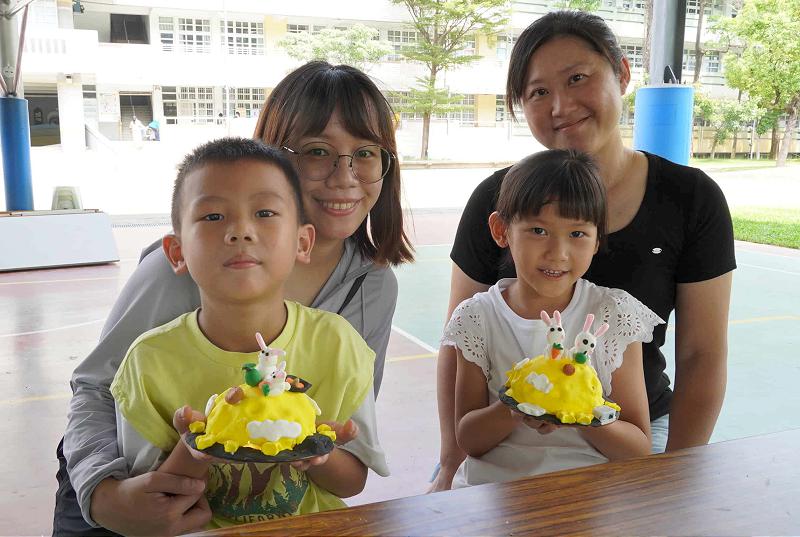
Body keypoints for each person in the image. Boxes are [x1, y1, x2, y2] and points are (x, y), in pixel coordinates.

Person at [56, 61, 413, 537]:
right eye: (317, 151)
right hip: (131, 482)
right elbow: (97, 389)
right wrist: (104, 496)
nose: (344, 175)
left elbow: (343, 436)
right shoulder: (188, 265)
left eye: (365, 152)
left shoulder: (371, 285)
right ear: (275, 156)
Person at [430, 10, 735, 492]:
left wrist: (676, 473)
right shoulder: (498, 197)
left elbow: (702, 354)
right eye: (538, 92)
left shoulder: (691, 199)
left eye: (577, 79)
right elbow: (458, 345)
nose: (560, 106)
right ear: (504, 231)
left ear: (622, 74)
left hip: (632, 429)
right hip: (501, 445)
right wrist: (449, 463)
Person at [111, 137, 388, 528]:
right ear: (177, 252)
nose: (240, 231)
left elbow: (353, 482)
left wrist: (315, 451)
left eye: (264, 212)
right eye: (212, 217)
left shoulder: (338, 345)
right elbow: (156, 501)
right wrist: (198, 444)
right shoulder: (149, 362)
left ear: (302, 241)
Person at [444, 149, 661, 487]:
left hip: (586, 492)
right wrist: (517, 407)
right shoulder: (478, 317)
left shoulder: (613, 313)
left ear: (596, 242)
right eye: (538, 230)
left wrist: (581, 410)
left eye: (577, 234)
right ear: (501, 230)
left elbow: (637, 447)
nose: (558, 253)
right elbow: (468, 439)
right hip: (493, 491)